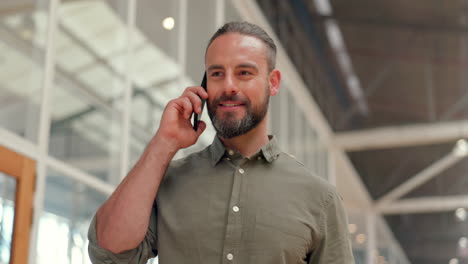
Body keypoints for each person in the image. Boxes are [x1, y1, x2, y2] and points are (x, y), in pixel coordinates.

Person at [88, 21, 354, 264]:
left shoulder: (321, 199)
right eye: (217, 74)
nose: (228, 86)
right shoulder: (168, 181)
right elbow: (108, 254)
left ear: (272, 83)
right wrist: (163, 143)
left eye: (244, 73)